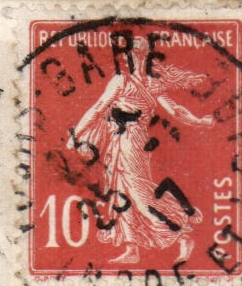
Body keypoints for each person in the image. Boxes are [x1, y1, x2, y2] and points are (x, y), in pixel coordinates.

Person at [67, 52, 215, 264]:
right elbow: (99, 108)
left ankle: (183, 234)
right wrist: (78, 133)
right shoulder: (122, 80)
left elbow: (175, 110)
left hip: (133, 143)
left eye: (134, 56)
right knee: (119, 192)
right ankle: (131, 248)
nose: (130, 61)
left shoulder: (146, 83)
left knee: (140, 195)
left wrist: (199, 122)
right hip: (117, 141)